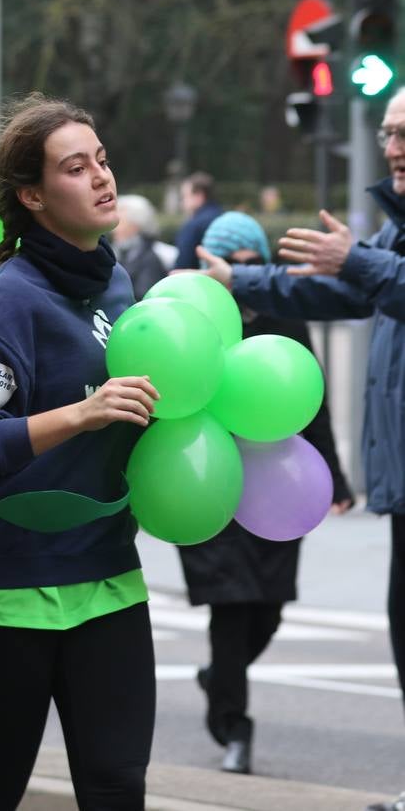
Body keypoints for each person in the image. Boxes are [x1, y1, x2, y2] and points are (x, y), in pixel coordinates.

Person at [0, 95, 159, 810]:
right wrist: (80, 415)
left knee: (116, 786)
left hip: (107, 572)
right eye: (76, 168)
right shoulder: (9, 299)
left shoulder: (116, 282)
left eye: (102, 160)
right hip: (2, 582)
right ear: (33, 195)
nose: (101, 177)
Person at [191, 87, 405, 811]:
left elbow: (368, 288)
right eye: (387, 133)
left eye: (404, 133)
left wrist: (357, 262)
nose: (391, 148)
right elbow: (338, 293)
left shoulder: (384, 246)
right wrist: (240, 281)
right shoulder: (395, 232)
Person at [176, 211, 353, 776]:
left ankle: (219, 678)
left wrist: (336, 479)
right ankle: (234, 726)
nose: (241, 273)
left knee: (269, 608)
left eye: (252, 263)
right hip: (206, 476)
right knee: (231, 605)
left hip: (279, 483)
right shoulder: (189, 319)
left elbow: (311, 402)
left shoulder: (283, 317)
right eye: (231, 264)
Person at [111, 194, 170, 300]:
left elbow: (144, 297)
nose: (114, 230)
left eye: (119, 223)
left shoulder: (150, 258)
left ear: (136, 226)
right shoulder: (120, 252)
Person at [173, 171, 223, 270]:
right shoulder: (223, 217)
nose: (182, 202)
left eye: (184, 196)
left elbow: (183, 265)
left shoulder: (193, 226)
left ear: (199, 195)